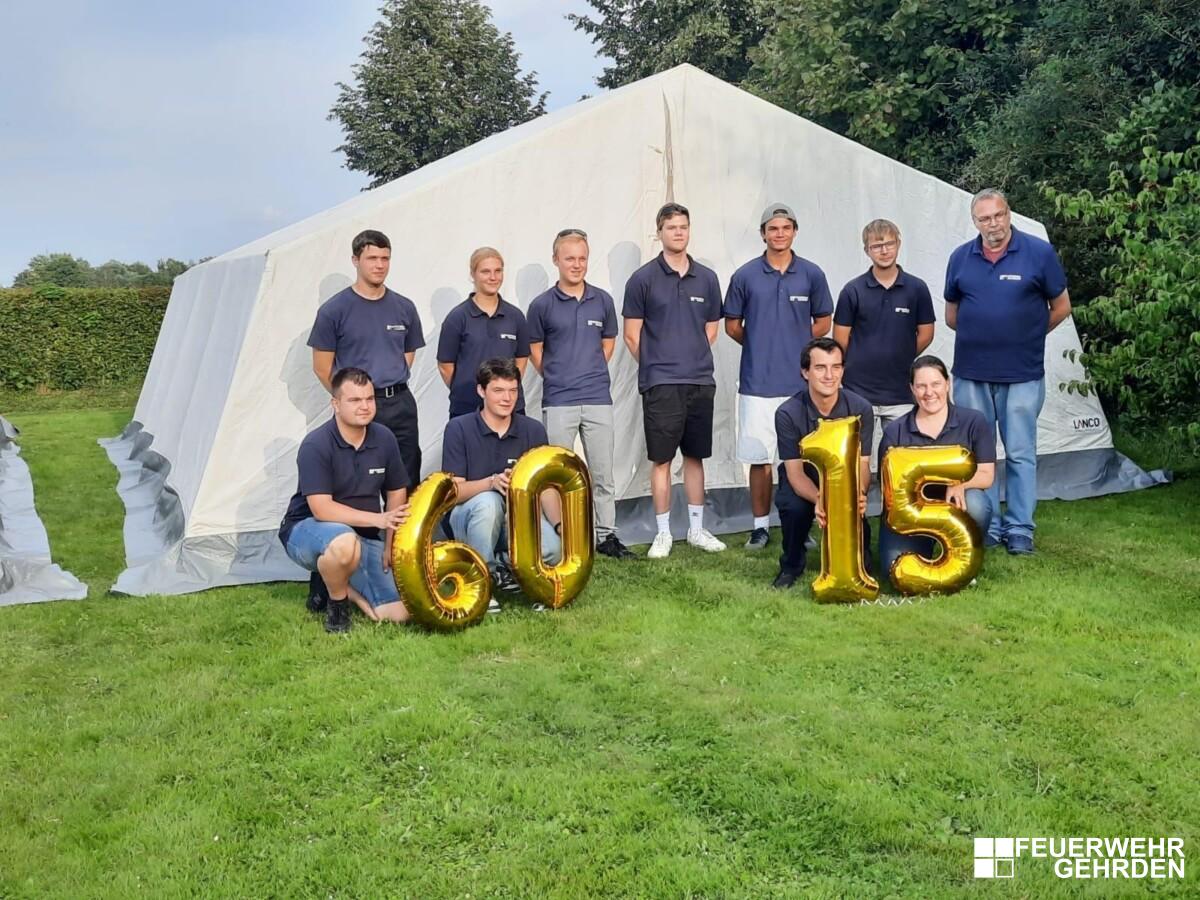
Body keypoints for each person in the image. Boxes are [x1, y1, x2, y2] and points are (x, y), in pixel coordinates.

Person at [944, 189, 1071, 555]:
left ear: (1009, 213)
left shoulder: (1038, 253)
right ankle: (987, 524)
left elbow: (1061, 306)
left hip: (1022, 373)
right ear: (975, 222)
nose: (993, 224)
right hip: (972, 373)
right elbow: (952, 316)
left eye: (998, 215)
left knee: (1019, 452)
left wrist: (1027, 335)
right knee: (977, 454)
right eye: (984, 218)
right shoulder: (960, 258)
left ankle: (1019, 529)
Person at [306, 230, 424, 611]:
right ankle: (328, 573)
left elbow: (407, 356)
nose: (380, 265)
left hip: (398, 404)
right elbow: (322, 366)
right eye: (372, 258)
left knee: (404, 484)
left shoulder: (403, 307)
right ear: (356, 260)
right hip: (358, 410)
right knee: (350, 489)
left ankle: (400, 562)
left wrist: (384, 391)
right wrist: (353, 402)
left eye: (385, 258)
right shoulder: (335, 310)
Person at [725, 202, 833, 550]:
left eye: (786, 228)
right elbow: (732, 325)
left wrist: (798, 346)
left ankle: (800, 524)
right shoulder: (745, 276)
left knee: (801, 459)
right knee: (760, 459)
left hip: (799, 386)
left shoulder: (812, 274)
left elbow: (823, 322)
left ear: (795, 232)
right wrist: (760, 342)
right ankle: (760, 527)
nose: (780, 234)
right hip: (757, 383)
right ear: (763, 234)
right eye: (773, 228)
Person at [622, 202, 727, 558]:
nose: (678, 233)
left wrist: (690, 356)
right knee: (662, 459)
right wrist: (659, 365)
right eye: (671, 227)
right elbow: (631, 335)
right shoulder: (642, 279)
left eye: (683, 226)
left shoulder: (707, 278)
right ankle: (664, 533)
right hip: (661, 383)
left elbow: (711, 329)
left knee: (695, 457)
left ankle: (696, 530)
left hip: (699, 381)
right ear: (659, 233)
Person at [278, 367, 410, 633]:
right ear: (335, 404)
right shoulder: (316, 444)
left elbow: (396, 491)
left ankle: (330, 582)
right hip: (307, 529)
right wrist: (377, 519)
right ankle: (338, 608)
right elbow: (321, 509)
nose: (365, 406)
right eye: (355, 400)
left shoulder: (384, 438)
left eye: (369, 398)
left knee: (397, 615)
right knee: (344, 543)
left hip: (362, 535)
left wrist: (390, 545)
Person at [528, 228, 633, 560]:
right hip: (559, 399)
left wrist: (589, 370)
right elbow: (535, 350)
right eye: (569, 258)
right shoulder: (541, 305)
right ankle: (566, 536)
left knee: (602, 473)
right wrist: (557, 374)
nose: (576, 264)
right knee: (559, 474)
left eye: (582, 258)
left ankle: (606, 536)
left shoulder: (602, 300)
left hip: (598, 398)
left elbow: (608, 344)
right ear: (556, 260)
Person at [442, 357, 562, 612]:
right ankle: (482, 583)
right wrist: (491, 482)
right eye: (498, 390)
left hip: (516, 517)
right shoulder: (458, 428)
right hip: (471, 516)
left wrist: (560, 525)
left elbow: (546, 489)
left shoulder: (533, 430)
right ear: (481, 391)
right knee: (489, 502)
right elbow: (454, 492)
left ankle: (504, 565)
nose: (507, 398)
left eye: (513, 391)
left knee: (553, 549)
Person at [877, 356, 995, 589]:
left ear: (947, 384)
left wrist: (960, 485)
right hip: (912, 514)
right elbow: (886, 488)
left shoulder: (973, 421)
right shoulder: (895, 431)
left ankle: (964, 559)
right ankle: (926, 544)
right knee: (895, 570)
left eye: (935, 384)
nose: (929, 392)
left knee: (977, 505)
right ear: (912, 389)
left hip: (955, 504)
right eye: (921, 386)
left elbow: (986, 474)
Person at [772, 338, 873, 589]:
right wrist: (821, 499)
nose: (829, 375)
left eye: (836, 367)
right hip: (805, 477)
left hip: (845, 480)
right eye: (820, 368)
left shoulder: (860, 408)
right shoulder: (787, 413)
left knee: (865, 560)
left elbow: (863, 464)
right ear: (805, 372)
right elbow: (795, 473)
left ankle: (860, 559)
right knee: (794, 509)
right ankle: (791, 564)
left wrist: (858, 493)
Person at [832, 219, 935, 466]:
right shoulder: (853, 290)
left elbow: (926, 333)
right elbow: (840, 339)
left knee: (900, 463)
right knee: (854, 462)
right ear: (866, 250)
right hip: (857, 390)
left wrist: (901, 354)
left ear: (899, 244)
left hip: (901, 391)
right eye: (876, 246)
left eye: (889, 243)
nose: (884, 250)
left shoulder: (916, 288)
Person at [437, 247, 531, 420]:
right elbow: (445, 366)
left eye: (498, 271)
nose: (493, 277)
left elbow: (522, 359)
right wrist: (469, 391)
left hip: (510, 409)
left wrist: (504, 391)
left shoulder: (515, 316)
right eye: (485, 271)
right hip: (467, 409)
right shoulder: (457, 317)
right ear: (473, 274)